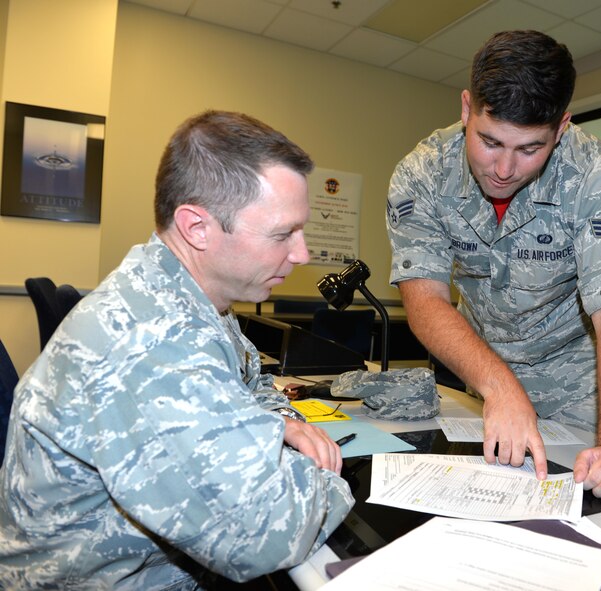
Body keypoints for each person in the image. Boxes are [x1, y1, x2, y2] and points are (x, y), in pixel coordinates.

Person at [0, 111, 354, 588]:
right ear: (197, 227)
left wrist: (278, 424)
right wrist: (332, 472)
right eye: (282, 234)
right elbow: (266, 533)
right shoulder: (150, 340)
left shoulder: (192, 297)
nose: (302, 254)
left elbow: (249, 380)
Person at [386, 31, 601, 504]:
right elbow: (424, 299)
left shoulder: (597, 176)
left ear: (562, 127)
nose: (505, 169)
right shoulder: (423, 172)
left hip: (577, 394)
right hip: (480, 382)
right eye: (490, 142)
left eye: (530, 148)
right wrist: (499, 386)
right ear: (467, 109)